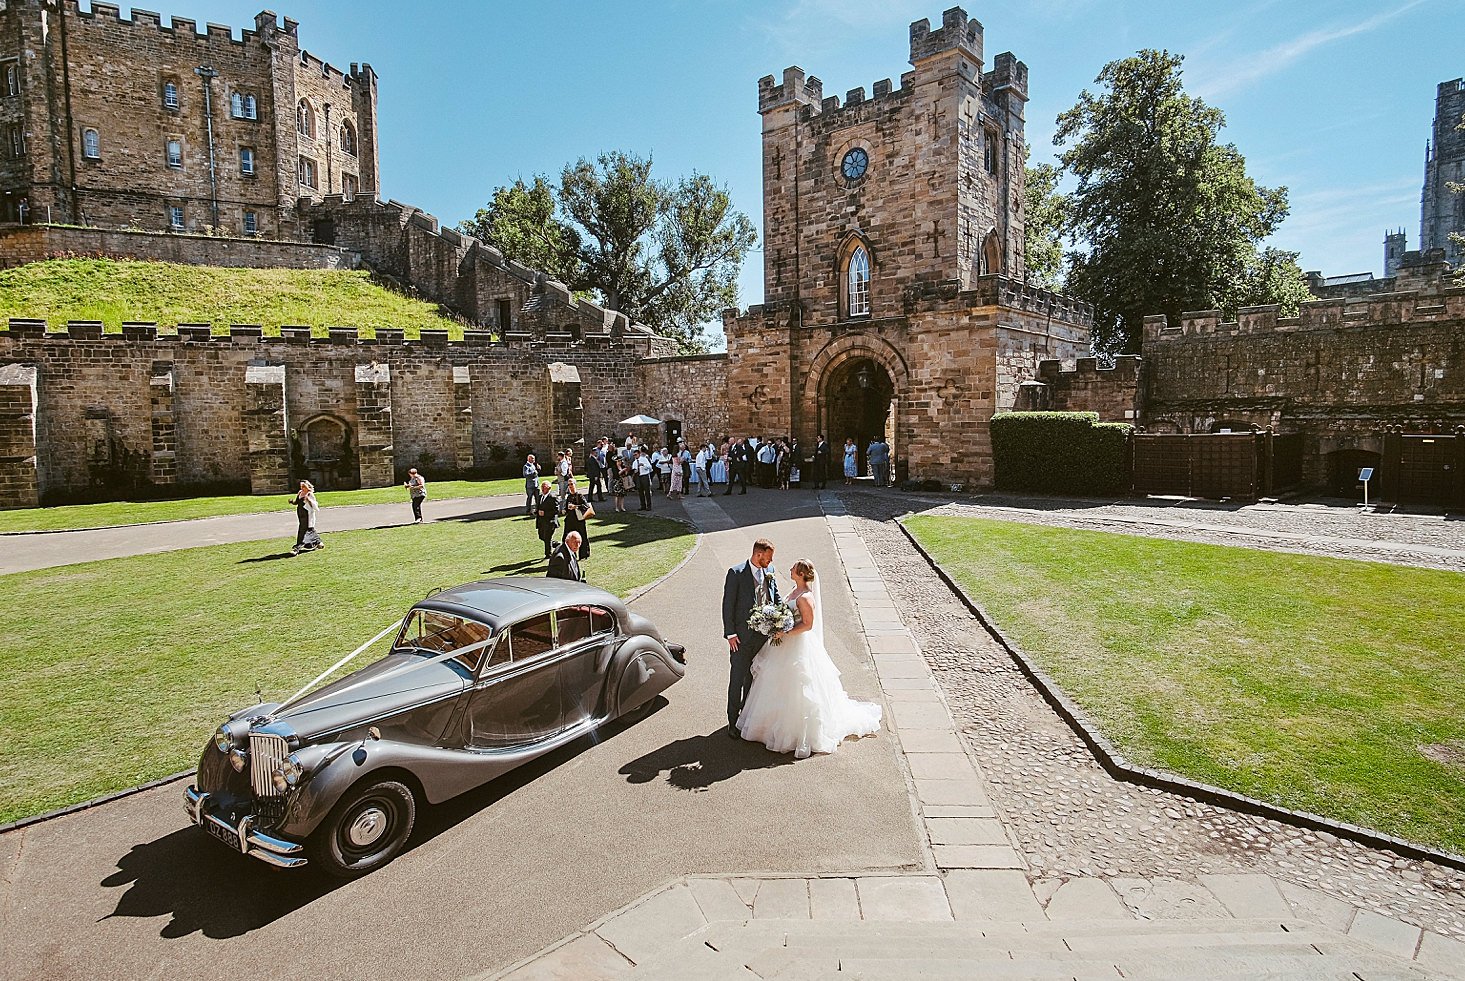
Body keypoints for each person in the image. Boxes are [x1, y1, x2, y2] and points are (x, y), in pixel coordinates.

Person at [737, 558, 882, 758]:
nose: (790, 568)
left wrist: (784, 632)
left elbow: (807, 625)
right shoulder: (796, 590)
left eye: (793, 568)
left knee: (799, 686)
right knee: (775, 683)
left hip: (798, 645)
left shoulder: (805, 597)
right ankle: (767, 726)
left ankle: (795, 732)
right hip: (784, 644)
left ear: (801, 574)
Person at [721, 539, 779, 739]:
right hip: (741, 638)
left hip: (763, 638)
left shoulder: (769, 571)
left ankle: (746, 717)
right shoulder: (736, 574)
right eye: (769, 556)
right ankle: (732, 721)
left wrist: (780, 621)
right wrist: (730, 633)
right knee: (737, 678)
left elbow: (776, 597)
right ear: (759, 554)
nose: (771, 560)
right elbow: (728, 605)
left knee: (754, 679)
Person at [562, 478, 594, 559]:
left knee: (582, 536)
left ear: (575, 485)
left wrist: (575, 507)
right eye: (568, 485)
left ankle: (584, 555)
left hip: (579, 520)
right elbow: (566, 507)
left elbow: (586, 506)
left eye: (571, 484)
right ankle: (569, 554)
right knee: (567, 537)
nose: (570, 486)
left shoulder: (579, 495)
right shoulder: (568, 497)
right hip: (570, 520)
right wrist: (564, 510)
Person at [288, 480, 323, 555]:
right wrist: (292, 502)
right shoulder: (300, 493)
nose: (302, 488)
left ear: (308, 486)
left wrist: (308, 500)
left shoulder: (310, 494)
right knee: (308, 529)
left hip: (308, 514)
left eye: (304, 486)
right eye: (301, 486)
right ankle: (318, 542)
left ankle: (297, 548)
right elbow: (297, 502)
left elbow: (315, 506)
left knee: (303, 530)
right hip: (300, 513)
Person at [534, 479, 559, 559]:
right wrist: (536, 511)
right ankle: (555, 544)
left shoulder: (552, 497)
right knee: (541, 536)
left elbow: (556, 510)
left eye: (544, 487)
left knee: (547, 537)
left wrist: (545, 513)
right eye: (542, 487)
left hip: (550, 521)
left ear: (549, 488)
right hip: (541, 521)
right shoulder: (540, 496)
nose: (542, 489)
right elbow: (538, 507)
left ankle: (548, 554)